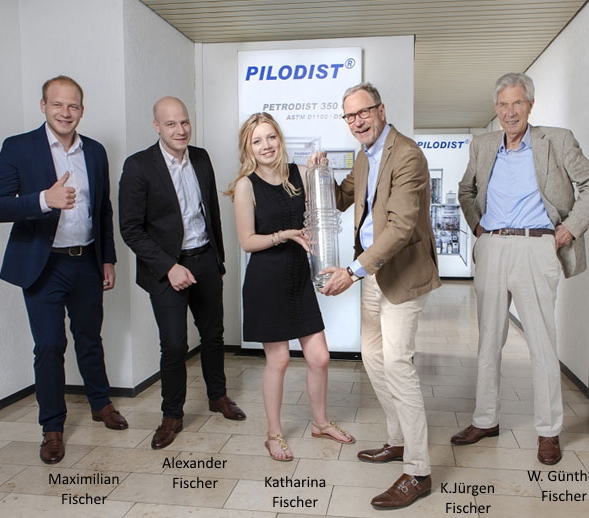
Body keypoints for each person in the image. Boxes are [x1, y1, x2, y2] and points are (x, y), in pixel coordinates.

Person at [454, 72, 589, 465]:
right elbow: (466, 189)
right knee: (489, 341)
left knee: (541, 344)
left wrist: (569, 229)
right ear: (496, 108)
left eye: (517, 103)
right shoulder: (483, 145)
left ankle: (548, 431)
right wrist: (477, 227)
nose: (510, 112)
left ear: (530, 105)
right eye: (503, 104)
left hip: (536, 246)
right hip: (492, 247)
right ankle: (485, 419)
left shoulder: (557, 140)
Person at [0, 75, 128, 465]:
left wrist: (108, 258)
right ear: (43, 106)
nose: (65, 112)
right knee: (49, 346)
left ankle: (100, 403)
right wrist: (43, 200)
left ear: (82, 109)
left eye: (73, 105)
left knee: (90, 338)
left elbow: (103, 210)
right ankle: (52, 427)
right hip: (43, 264)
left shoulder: (95, 151)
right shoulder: (18, 147)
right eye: (57, 104)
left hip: (86, 260)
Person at [317, 83, 441, 509]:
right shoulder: (364, 155)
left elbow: (401, 227)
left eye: (363, 112)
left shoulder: (407, 155)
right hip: (372, 273)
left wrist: (352, 272)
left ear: (381, 110)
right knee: (372, 357)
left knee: (397, 364)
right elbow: (340, 198)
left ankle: (419, 471)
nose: (357, 122)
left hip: (402, 274)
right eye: (350, 116)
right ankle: (398, 439)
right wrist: (319, 174)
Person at [119, 96, 245, 450]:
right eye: (171, 124)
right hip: (166, 268)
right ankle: (171, 415)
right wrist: (169, 267)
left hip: (204, 259)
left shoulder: (201, 158)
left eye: (184, 122)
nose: (180, 130)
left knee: (213, 335)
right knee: (174, 344)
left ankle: (217, 396)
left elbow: (212, 213)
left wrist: (218, 262)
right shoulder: (139, 166)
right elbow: (130, 229)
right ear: (157, 126)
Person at [227, 113, 355, 461]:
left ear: (279, 139)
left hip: (297, 278)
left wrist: (321, 170)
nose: (266, 145)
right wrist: (284, 235)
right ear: (248, 148)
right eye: (257, 141)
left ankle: (320, 423)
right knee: (279, 360)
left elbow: (324, 208)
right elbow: (247, 241)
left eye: (270, 137)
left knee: (320, 357)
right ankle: (273, 434)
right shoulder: (246, 185)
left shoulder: (299, 173)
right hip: (266, 281)